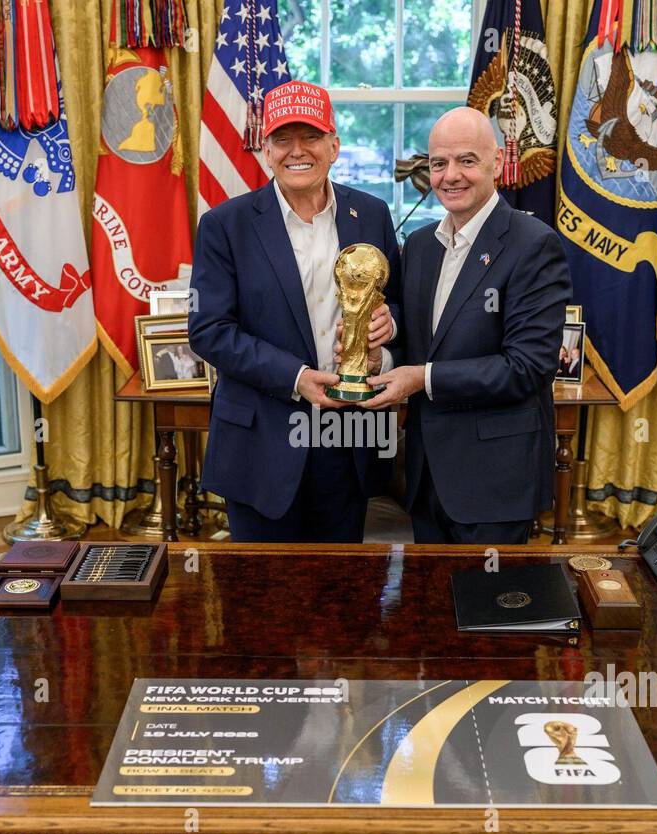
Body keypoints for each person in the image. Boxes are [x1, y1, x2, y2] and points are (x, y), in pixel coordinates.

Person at [188, 80, 401, 542]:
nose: (296, 151)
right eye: (283, 139)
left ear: (334, 145)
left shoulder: (372, 213)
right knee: (261, 595)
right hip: (261, 440)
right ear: (266, 149)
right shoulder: (225, 225)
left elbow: (398, 299)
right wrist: (296, 377)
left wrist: (389, 328)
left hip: (349, 437)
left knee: (341, 588)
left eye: (311, 136)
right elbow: (209, 330)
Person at [363, 107, 571, 544]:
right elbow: (420, 338)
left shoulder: (534, 245)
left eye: (466, 161)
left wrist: (421, 378)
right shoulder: (420, 245)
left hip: (495, 479)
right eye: (439, 163)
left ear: (496, 162)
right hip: (425, 476)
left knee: (490, 608)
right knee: (430, 607)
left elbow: (527, 367)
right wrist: (380, 350)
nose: (450, 175)